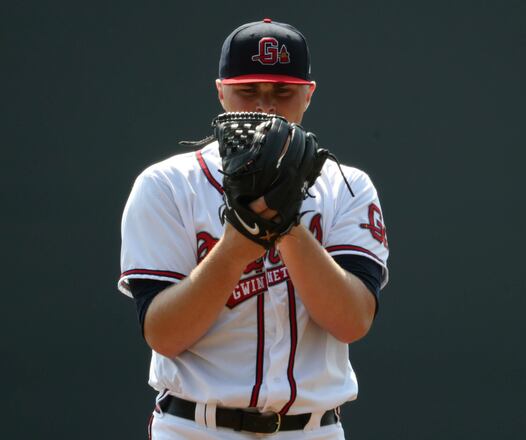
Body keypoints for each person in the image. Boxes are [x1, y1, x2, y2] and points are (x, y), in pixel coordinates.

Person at [118, 18, 389, 439]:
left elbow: (352, 321)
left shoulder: (345, 186)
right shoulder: (167, 185)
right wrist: (237, 246)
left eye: (282, 91)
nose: (265, 107)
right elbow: (164, 335)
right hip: (196, 428)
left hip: (310, 430)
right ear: (221, 90)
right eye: (248, 91)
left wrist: (288, 228)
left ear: (308, 95)